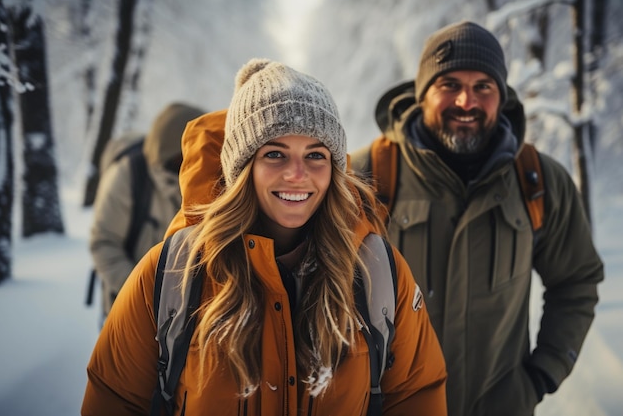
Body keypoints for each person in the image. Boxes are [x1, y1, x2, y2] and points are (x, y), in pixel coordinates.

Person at [81, 58, 448, 416]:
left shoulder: (378, 272)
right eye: (275, 153)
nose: (297, 174)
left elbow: (416, 395)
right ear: (242, 168)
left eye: (316, 155)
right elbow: (114, 397)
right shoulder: (171, 274)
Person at [351, 21, 604, 416]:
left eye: (483, 87)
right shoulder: (371, 174)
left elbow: (576, 280)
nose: (466, 102)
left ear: (501, 97)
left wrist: (542, 374)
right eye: (449, 84)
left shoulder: (538, 180)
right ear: (422, 94)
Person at [89, 102, 204, 320]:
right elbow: (104, 244)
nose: (191, 164)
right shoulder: (126, 176)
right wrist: (147, 297)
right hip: (130, 307)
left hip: (188, 316)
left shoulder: (211, 176)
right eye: (183, 157)